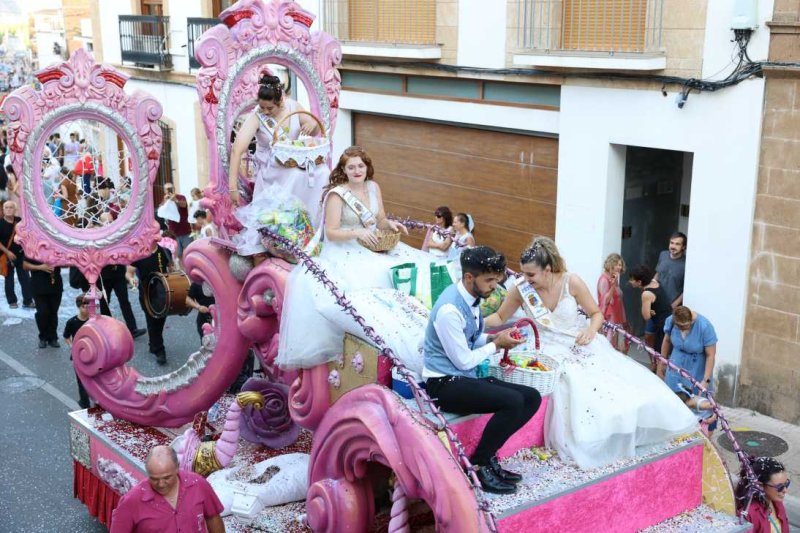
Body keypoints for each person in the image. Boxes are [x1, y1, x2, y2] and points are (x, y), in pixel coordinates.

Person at [485, 236, 696, 469]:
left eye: (531, 275)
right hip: (542, 345)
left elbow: (597, 314)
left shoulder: (570, 282)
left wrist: (590, 330)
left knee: (614, 386)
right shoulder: (521, 288)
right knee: (570, 382)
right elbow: (500, 317)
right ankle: (587, 439)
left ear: (547, 269)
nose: (526, 279)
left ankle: (618, 432)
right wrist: (473, 323)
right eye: (524, 273)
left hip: (578, 341)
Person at [277, 145, 435, 369]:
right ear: (344, 170)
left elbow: (379, 218)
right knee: (375, 275)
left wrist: (389, 224)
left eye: (361, 165)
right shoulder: (337, 195)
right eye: (351, 167)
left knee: (411, 263)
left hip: (372, 242)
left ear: (367, 167)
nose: (357, 170)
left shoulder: (373, 187)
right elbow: (331, 232)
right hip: (345, 247)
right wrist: (358, 232)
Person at [423, 246, 540, 494]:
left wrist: (496, 338)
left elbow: (472, 339)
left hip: (462, 377)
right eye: (489, 280)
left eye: (496, 280)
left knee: (531, 398)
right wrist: (496, 345)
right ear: (468, 277)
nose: (494, 287)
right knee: (512, 402)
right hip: (444, 384)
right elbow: (464, 361)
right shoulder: (449, 310)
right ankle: (479, 464)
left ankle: (488, 457)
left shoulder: (472, 299)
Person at [230, 74, 328, 257]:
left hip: (293, 161)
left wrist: (311, 124)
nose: (265, 111)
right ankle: (280, 237)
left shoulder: (293, 107)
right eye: (262, 107)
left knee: (322, 173)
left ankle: (311, 230)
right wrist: (232, 187)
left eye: (270, 107)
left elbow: (312, 125)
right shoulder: (257, 116)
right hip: (271, 170)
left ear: (281, 100)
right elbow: (237, 150)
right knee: (295, 175)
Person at [110, 445, 225, 533]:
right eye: (154, 479)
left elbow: (213, 517)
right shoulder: (131, 501)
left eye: (167, 477)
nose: (161, 484)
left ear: (177, 467)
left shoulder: (198, 485)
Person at [127, 244, 173, 365]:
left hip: (162, 293)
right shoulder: (139, 253)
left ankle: (153, 344)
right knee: (152, 320)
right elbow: (129, 273)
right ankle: (159, 351)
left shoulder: (165, 251)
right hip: (146, 293)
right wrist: (131, 279)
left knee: (160, 319)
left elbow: (171, 268)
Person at [661, 305, 717, 392]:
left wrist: (706, 380)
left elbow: (711, 355)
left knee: (693, 398)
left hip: (697, 367)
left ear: (691, 321)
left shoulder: (705, 327)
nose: (682, 329)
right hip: (676, 362)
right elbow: (667, 340)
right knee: (673, 395)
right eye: (678, 326)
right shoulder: (671, 320)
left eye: (685, 326)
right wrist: (663, 362)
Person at [646, 232, 687, 348]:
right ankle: (653, 362)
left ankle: (662, 362)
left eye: (677, 244)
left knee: (666, 337)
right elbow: (658, 274)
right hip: (655, 302)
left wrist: (674, 305)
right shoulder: (663, 255)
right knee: (649, 334)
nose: (673, 246)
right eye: (671, 243)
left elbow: (686, 289)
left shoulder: (686, 264)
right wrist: (649, 290)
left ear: (683, 247)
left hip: (671, 306)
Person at [627, 265, 672, 363]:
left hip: (662, 325)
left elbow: (646, 316)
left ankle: (659, 372)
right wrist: (650, 309)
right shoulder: (654, 282)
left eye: (632, 280)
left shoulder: (646, 294)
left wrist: (648, 310)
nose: (630, 281)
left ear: (639, 282)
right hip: (669, 318)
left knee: (661, 352)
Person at [735, 457, 791, 533]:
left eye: (786, 484)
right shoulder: (747, 514)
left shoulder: (777, 502)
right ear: (760, 485)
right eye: (779, 487)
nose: (785, 490)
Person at [23, 257, 63, 349]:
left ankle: (53, 338)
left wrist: (60, 262)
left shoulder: (56, 245)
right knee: (42, 312)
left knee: (53, 312)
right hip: (38, 285)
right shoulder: (33, 245)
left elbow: (67, 264)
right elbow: (25, 265)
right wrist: (41, 267)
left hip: (55, 284)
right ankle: (43, 337)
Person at [0, 201, 33, 309]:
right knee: (9, 279)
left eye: (11, 207)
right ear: (3, 210)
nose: (9, 209)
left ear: (15, 209)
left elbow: (27, 235)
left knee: (25, 278)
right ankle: (12, 301)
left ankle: (28, 301)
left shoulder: (19, 221)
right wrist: (7, 252)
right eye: (6, 207)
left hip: (21, 254)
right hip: (6, 256)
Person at [63, 294, 93, 409]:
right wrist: (72, 347)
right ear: (79, 307)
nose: (87, 309)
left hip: (93, 353)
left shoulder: (92, 320)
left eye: (88, 306)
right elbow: (66, 337)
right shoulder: (72, 322)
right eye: (84, 306)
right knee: (81, 381)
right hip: (78, 355)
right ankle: (84, 403)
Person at [596, 253, 627, 352]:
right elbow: (605, 301)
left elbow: (618, 294)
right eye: (617, 264)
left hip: (616, 314)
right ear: (611, 264)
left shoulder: (613, 277)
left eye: (620, 264)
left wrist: (615, 283)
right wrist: (613, 285)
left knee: (615, 343)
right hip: (609, 316)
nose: (619, 267)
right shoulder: (604, 279)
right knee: (608, 344)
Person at [159, 183, 192, 264]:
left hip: (185, 231)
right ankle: (182, 273)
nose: (169, 190)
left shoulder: (181, 197)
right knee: (178, 255)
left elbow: (184, 205)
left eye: (170, 188)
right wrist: (165, 201)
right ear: (164, 190)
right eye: (167, 189)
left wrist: (175, 200)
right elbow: (160, 211)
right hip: (174, 233)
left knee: (189, 253)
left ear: (174, 188)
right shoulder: (165, 200)